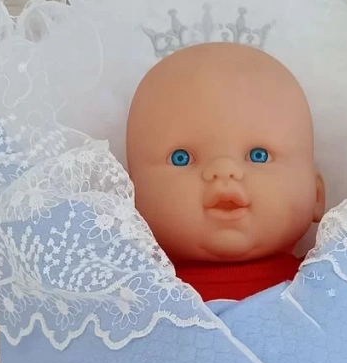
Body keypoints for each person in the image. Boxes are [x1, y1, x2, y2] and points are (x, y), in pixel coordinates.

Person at [126, 42, 325, 300]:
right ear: (129, 198)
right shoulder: (128, 295)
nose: (223, 170)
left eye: (259, 156)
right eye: (181, 158)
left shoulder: (336, 279)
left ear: (316, 195)